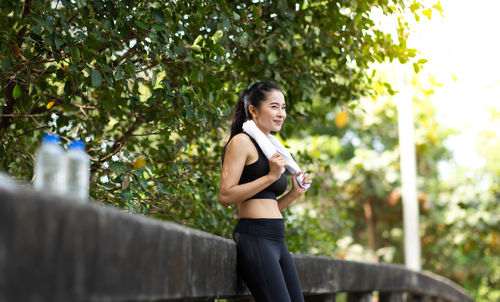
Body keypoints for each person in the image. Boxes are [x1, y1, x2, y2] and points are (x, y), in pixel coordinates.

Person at [219, 81, 312, 302]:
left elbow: (269, 205)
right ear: (253, 110)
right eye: (274, 107)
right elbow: (225, 196)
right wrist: (270, 177)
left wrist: (293, 193)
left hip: (276, 237)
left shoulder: (272, 148)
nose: (281, 113)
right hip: (255, 237)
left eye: (283, 107)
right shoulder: (241, 142)